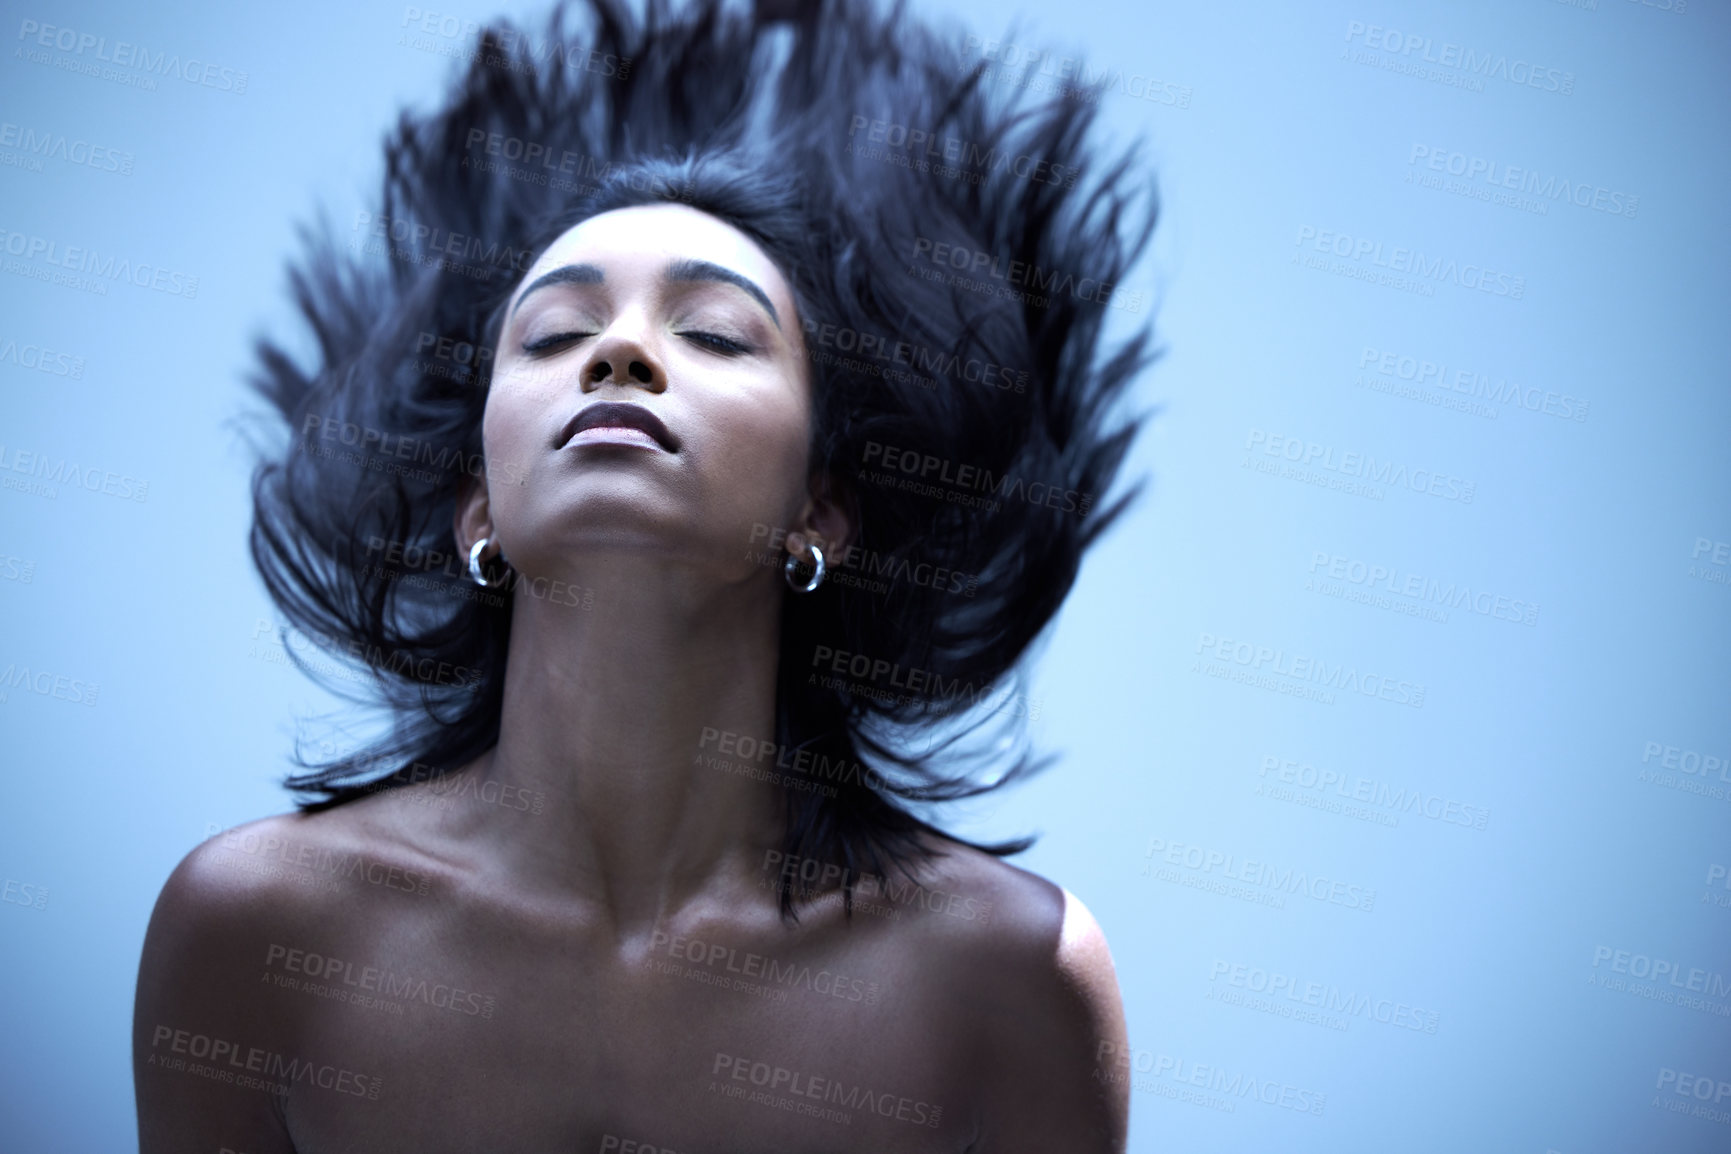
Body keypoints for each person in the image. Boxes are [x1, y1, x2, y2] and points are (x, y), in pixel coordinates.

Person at [133, 0, 1157, 1148]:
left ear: (817, 510)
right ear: (479, 502)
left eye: (715, 333)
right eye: (554, 333)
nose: (620, 351)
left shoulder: (1009, 977)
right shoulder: (256, 934)